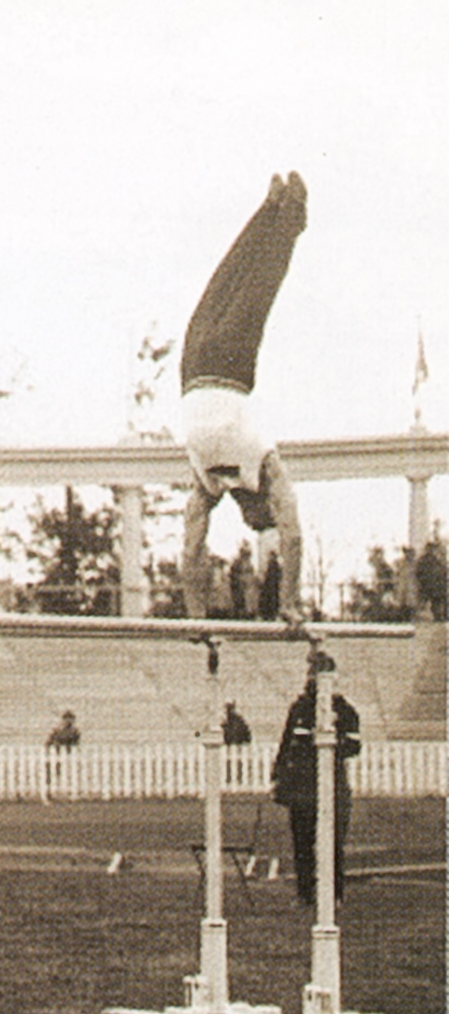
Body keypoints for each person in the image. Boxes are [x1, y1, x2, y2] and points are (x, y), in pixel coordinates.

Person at [178, 173, 310, 624]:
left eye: (254, 514)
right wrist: (289, 602)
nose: (256, 509)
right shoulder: (260, 467)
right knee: (256, 287)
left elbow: (191, 545)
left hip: (195, 366)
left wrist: (197, 612)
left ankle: (272, 209)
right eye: (263, 513)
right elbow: (289, 536)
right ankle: (286, 213)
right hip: (216, 370)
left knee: (229, 276)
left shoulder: (210, 483)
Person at [272, 657, 361, 906]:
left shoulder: (344, 709)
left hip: (333, 788)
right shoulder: (299, 708)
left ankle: (334, 895)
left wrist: (326, 743)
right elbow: (286, 744)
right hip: (303, 789)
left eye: (320, 674)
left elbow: (353, 746)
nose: (313, 679)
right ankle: (305, 894)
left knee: (332, 844)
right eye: (311, 673)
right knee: (302, 843)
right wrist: (279, 777)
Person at [45, 709, 82, 801]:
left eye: (70, 719)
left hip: (69, 757)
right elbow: (49, 742)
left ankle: (68, 793)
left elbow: (74, 742)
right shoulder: (57, 731)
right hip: (56, 756)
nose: (68, 721)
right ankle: (50, 793)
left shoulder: (74, 732)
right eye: (66, 719)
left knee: (69, 775)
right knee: (53, 774)